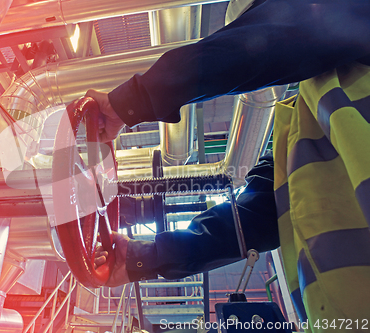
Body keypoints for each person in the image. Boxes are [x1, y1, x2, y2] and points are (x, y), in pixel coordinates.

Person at [89, 0, 370, 330]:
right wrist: (147, 257)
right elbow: (254, 216)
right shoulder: (306, 124)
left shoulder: (352, 20)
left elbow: (267, 41)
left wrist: (133, 101)